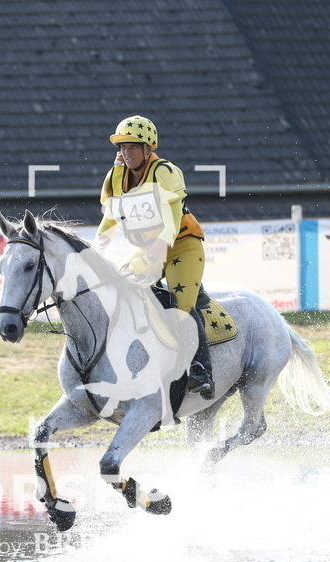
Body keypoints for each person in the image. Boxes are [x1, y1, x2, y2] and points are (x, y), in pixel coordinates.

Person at [96, 115, 214, 399]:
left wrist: (160, 249)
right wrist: (96, 247)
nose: (127, 153)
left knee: (180, 305)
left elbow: (173, 222)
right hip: (148, 248)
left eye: (133, 147)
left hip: (181, 244)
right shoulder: (116, 175)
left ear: (149, 148)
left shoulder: (165, 171)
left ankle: (200, 369)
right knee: (120, 289)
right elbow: (110, 217)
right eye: (123, 147)